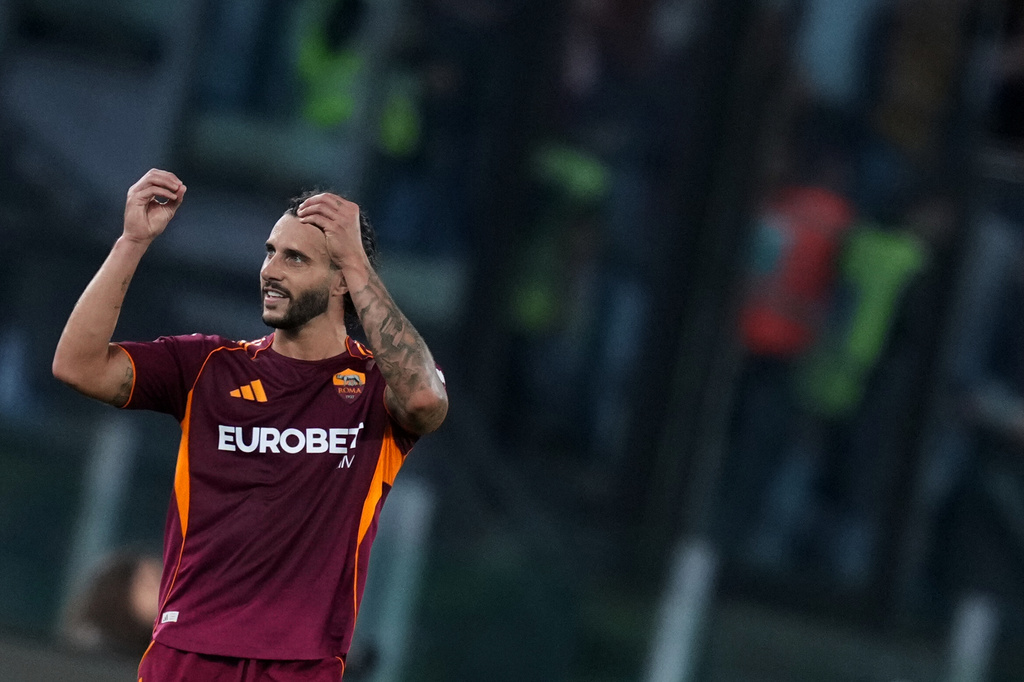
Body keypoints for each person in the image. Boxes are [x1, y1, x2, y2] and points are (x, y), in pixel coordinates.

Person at [51, 168, 449, 680]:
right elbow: (77, 365)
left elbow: (423, 399)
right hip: (186, 654)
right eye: (270, 252)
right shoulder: (207, 366)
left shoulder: (376, 387)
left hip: (303, 664)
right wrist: (132, 241)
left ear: (341, 282)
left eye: (295, 258)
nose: (270, 270)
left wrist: (356, 259)